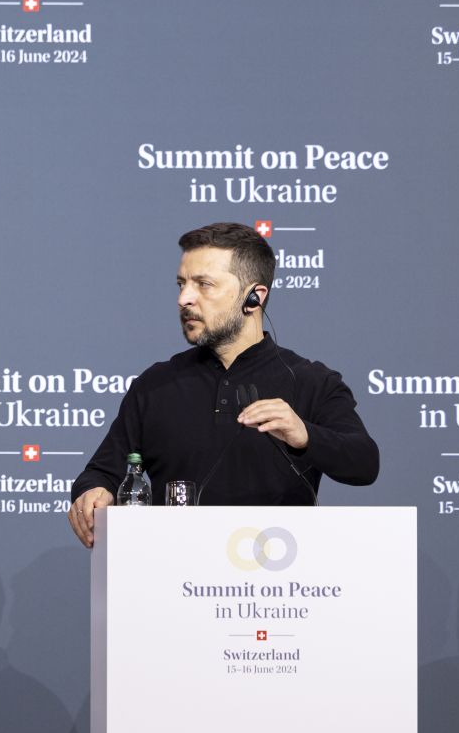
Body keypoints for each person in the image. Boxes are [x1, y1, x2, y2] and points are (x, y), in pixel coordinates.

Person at [66, 223, 377, 547]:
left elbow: (364, 463)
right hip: (170, 579)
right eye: (181, 284)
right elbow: (103, 471)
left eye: (204, 285)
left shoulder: (312, 381)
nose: (185, 298)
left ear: (254, 298)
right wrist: (92, 492)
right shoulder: (156, 385)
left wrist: (305, 435)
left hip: (280, 583)